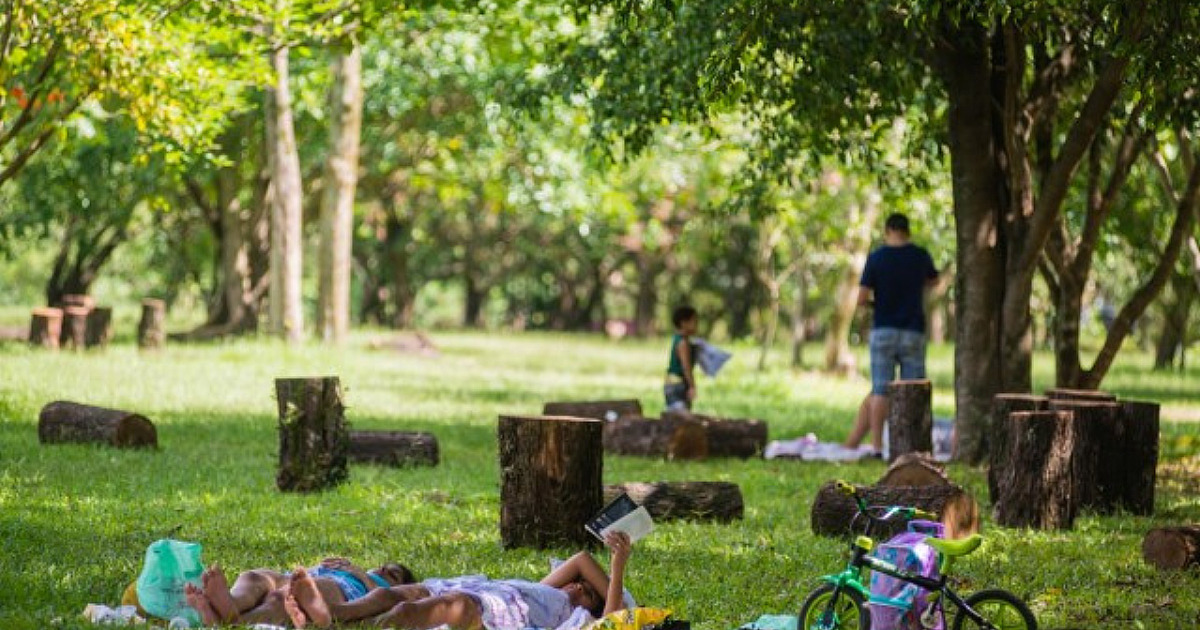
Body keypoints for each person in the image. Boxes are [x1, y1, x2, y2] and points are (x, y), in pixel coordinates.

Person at [286, 531, 635, 630]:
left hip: (495, 611)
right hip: (477, 588)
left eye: (587, 593)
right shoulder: (545, 588)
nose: (578, 586)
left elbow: (613, 619)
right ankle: (336, 615)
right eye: (579, 583)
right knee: (395, 593)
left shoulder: (569, 614)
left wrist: (617, 565)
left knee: (416, 610)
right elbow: (582, 561)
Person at [843, 213, 939, 455]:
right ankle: (914, 448)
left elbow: (862, 298)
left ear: (887, 231)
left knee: (880, 389)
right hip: (913, 330)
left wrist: (881, 302)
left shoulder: (876, 258)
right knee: (913, 389)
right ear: (908, 231)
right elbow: (934, 282)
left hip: (883, 329)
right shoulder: (920, 255)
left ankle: (877, 448)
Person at [183, 558, 416, 627]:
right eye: (383, 566)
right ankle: (231, 604)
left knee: (281, 599)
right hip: (293, 575)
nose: (383, 569)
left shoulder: (375, 588)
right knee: (255, 577)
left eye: (392, 574)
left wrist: (363, 576)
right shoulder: (349, 565)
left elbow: (382, 601)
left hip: (336, 588)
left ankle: (231, 621)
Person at [664, 305, 699, 411]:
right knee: (682, 417)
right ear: (684, 323)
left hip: (670, 381)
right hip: (679, 384)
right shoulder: (683, 343)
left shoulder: (677, 339)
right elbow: (686, 367)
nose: (696, 326)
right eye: (694, 322)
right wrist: (692, 386)